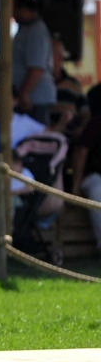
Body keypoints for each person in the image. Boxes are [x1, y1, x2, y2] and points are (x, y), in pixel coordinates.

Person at [12, 0, 57, 125]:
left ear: (24, 9)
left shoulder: (36, 31)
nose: (12, 14)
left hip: (34, 99)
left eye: (14, 9)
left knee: (35, 139)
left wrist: (25, 93)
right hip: (28, 97)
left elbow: (37, 67)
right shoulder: (25, 29)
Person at [70, 107, 101, 255]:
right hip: (95, 176)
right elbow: (81, 151)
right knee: (98, 192)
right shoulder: (97, 121)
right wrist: (76, 186)